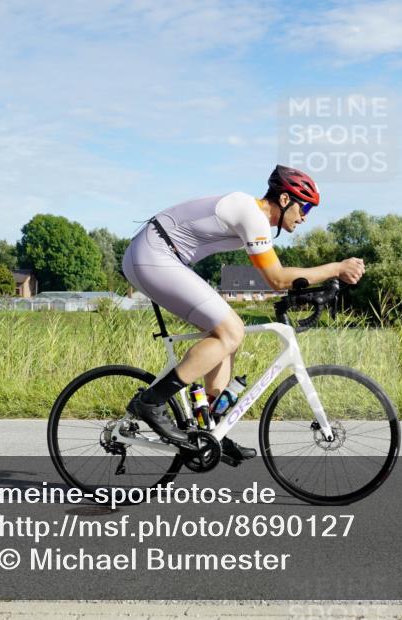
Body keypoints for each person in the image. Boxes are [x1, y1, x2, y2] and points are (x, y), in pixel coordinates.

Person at [121, 165, 366, 461]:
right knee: (231, 330)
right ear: (285, 199)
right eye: (305, 208)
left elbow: (278, 278)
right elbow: (275, 278)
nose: (304, 218)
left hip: (162, 256)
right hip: (152, 255)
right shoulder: (253, 215)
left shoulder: (252, 216)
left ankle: (209, 428)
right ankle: (151, 402)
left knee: (226, 335)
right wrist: (336, 268)